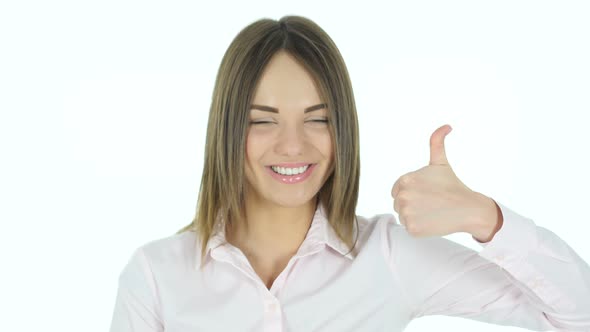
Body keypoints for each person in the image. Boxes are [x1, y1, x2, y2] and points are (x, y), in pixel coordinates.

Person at [109, 15, 590, 331]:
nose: (293, 145)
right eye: (262, 120)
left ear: (343, 130)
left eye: (317, 119)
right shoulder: (156, 276)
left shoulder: (389, 256)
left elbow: (575, 313)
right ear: (227, 129)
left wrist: (485, 219)